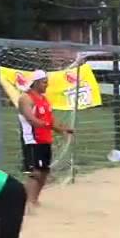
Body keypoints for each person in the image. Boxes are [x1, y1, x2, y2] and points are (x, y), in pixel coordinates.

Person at [17, 70, 73, 208]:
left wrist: (63, 129)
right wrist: (48, 125)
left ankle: (34, 200)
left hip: (45, 140)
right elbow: (31, 120)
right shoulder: (26, 98)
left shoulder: (44, 100)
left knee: (44, 172)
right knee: (34, 172)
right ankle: (27, 203)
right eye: (44, 82)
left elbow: (50, 121)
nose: (46, 85)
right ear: (36, 82)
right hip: (32, 141)